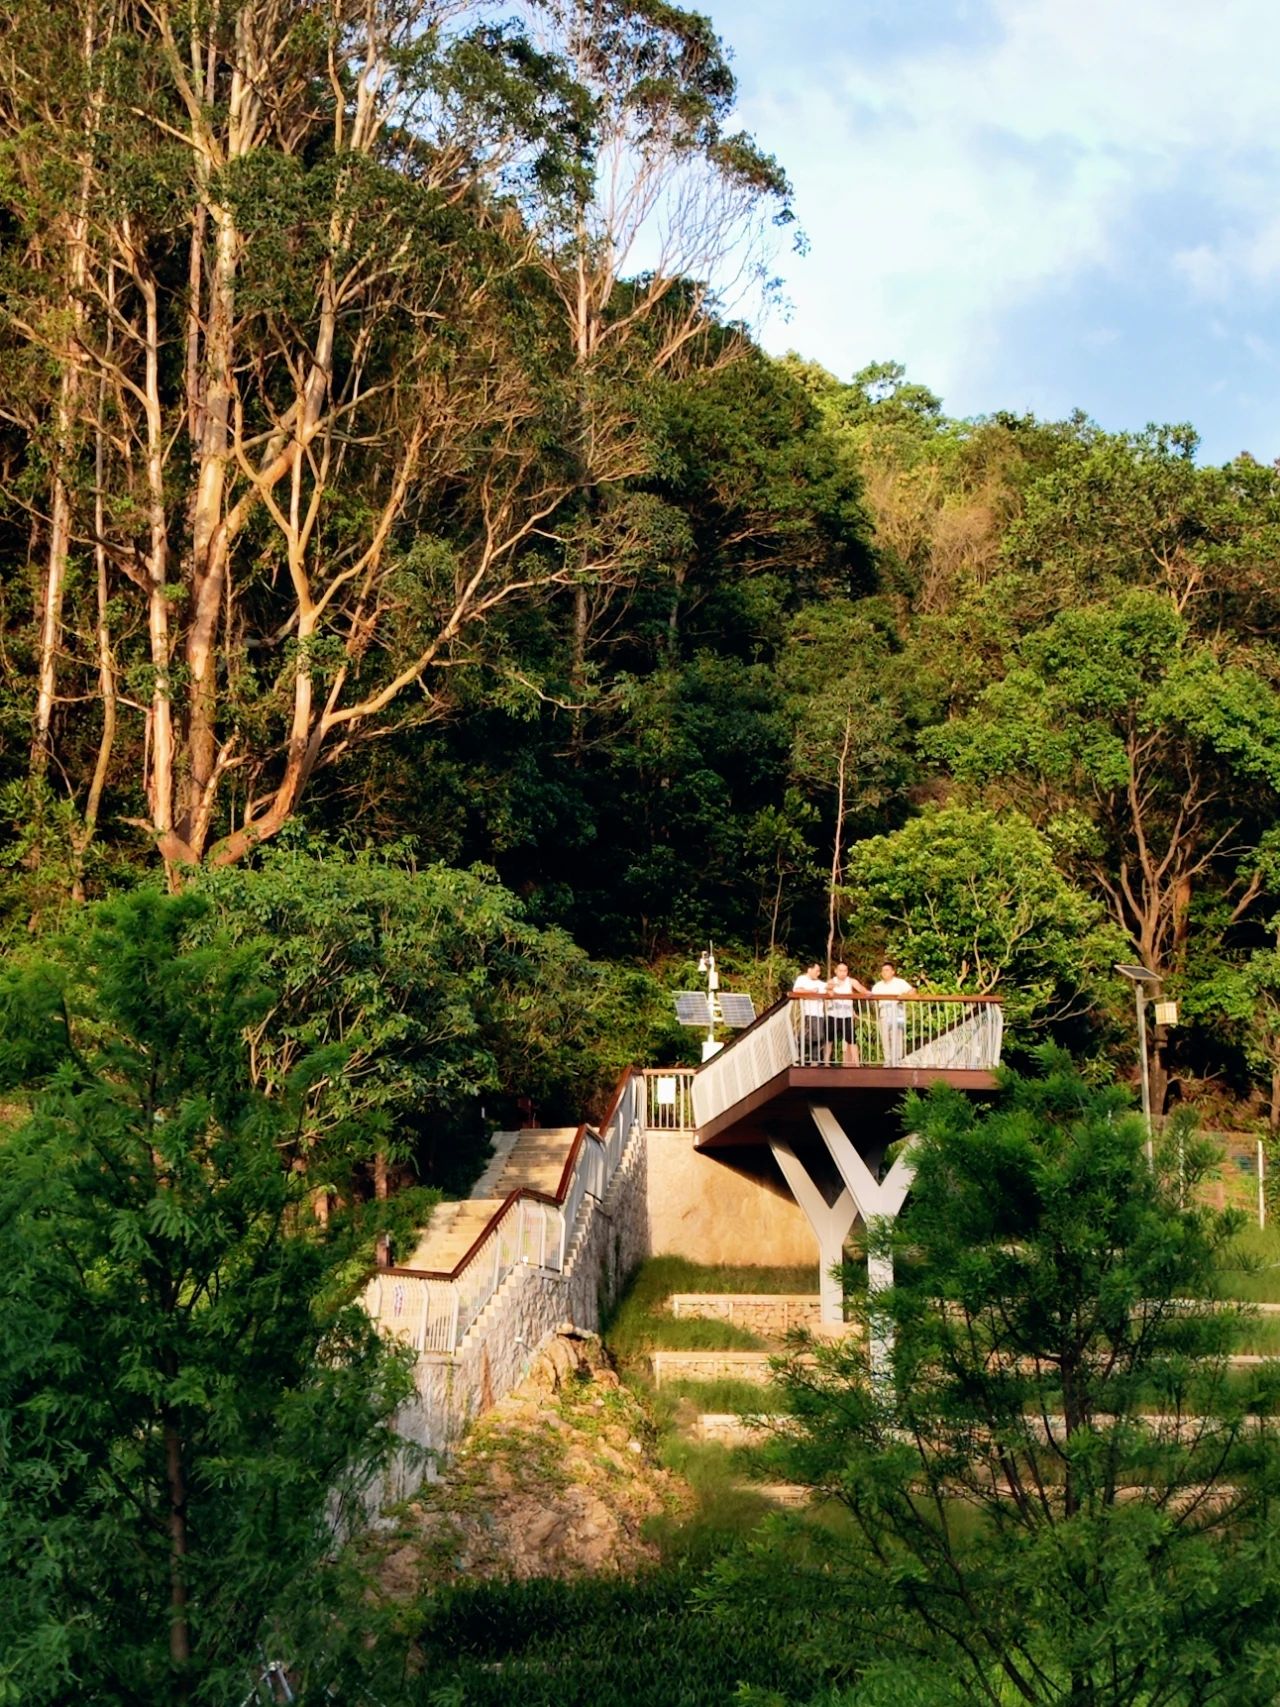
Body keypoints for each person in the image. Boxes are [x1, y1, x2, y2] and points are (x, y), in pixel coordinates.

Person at [871, 960, 914, 1066]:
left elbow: (912, 990)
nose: (885, 972)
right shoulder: (878, 986)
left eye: (887, 970)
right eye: (883, 971)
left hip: (897, 1010)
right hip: (884, 1011)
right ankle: (887, 1060)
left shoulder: (900, 982)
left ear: (892, 972)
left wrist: (904, 996)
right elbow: (872, 999)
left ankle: (897, 1061)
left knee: (897, 1035)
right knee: (885, 1036)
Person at [827, 961, 869, 1064]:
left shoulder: (851, 981)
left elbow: (861, 989)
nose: (843, 973)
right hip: (833, 1014)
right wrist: (833, 991)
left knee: (852, 1039)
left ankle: (857, 1063)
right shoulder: (832, 981)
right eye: (840, 970)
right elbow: (829, 991)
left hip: (847, 1015)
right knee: (829, 1039)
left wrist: (868, 993)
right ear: (836, 971)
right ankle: (826, 1062)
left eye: (845, 970)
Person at [792, 961, 828, 1063]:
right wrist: (811, 991)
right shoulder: (802, 979)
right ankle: (801, 1050)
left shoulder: (820, 983)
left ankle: (814, 1059)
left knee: (820, 1036)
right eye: (817, 971)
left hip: (819, 1014)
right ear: (809, 970)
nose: (818, 973)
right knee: (811, 1035)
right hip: (808, 1013)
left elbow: (828, 988)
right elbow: (797, 990)